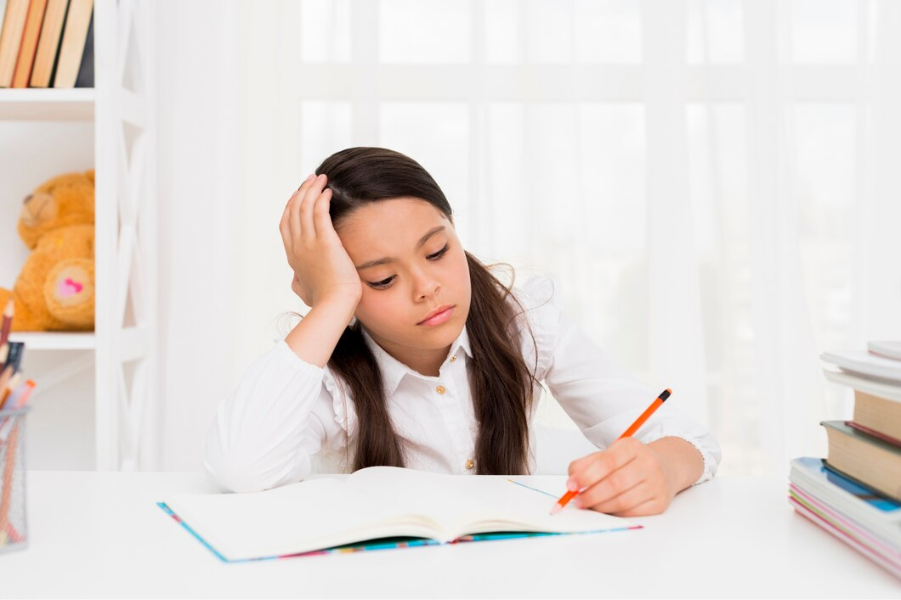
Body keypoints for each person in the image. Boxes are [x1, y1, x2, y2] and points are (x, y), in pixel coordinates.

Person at [204, 147, 722, 517]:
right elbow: (242, 468)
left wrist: (660, 468)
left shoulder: (524, 323)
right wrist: (332, 301)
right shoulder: (331, 378)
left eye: (437, 251)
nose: (427, 287)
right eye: (381, 279)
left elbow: (688, 438)